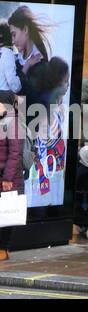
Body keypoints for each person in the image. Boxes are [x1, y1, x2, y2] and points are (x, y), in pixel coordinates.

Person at [0, 90, 22, 261]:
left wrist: (7, 178)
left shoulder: (12, 122)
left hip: (8, 177)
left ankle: (3, 249)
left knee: (6, 213)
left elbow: (15, 153)